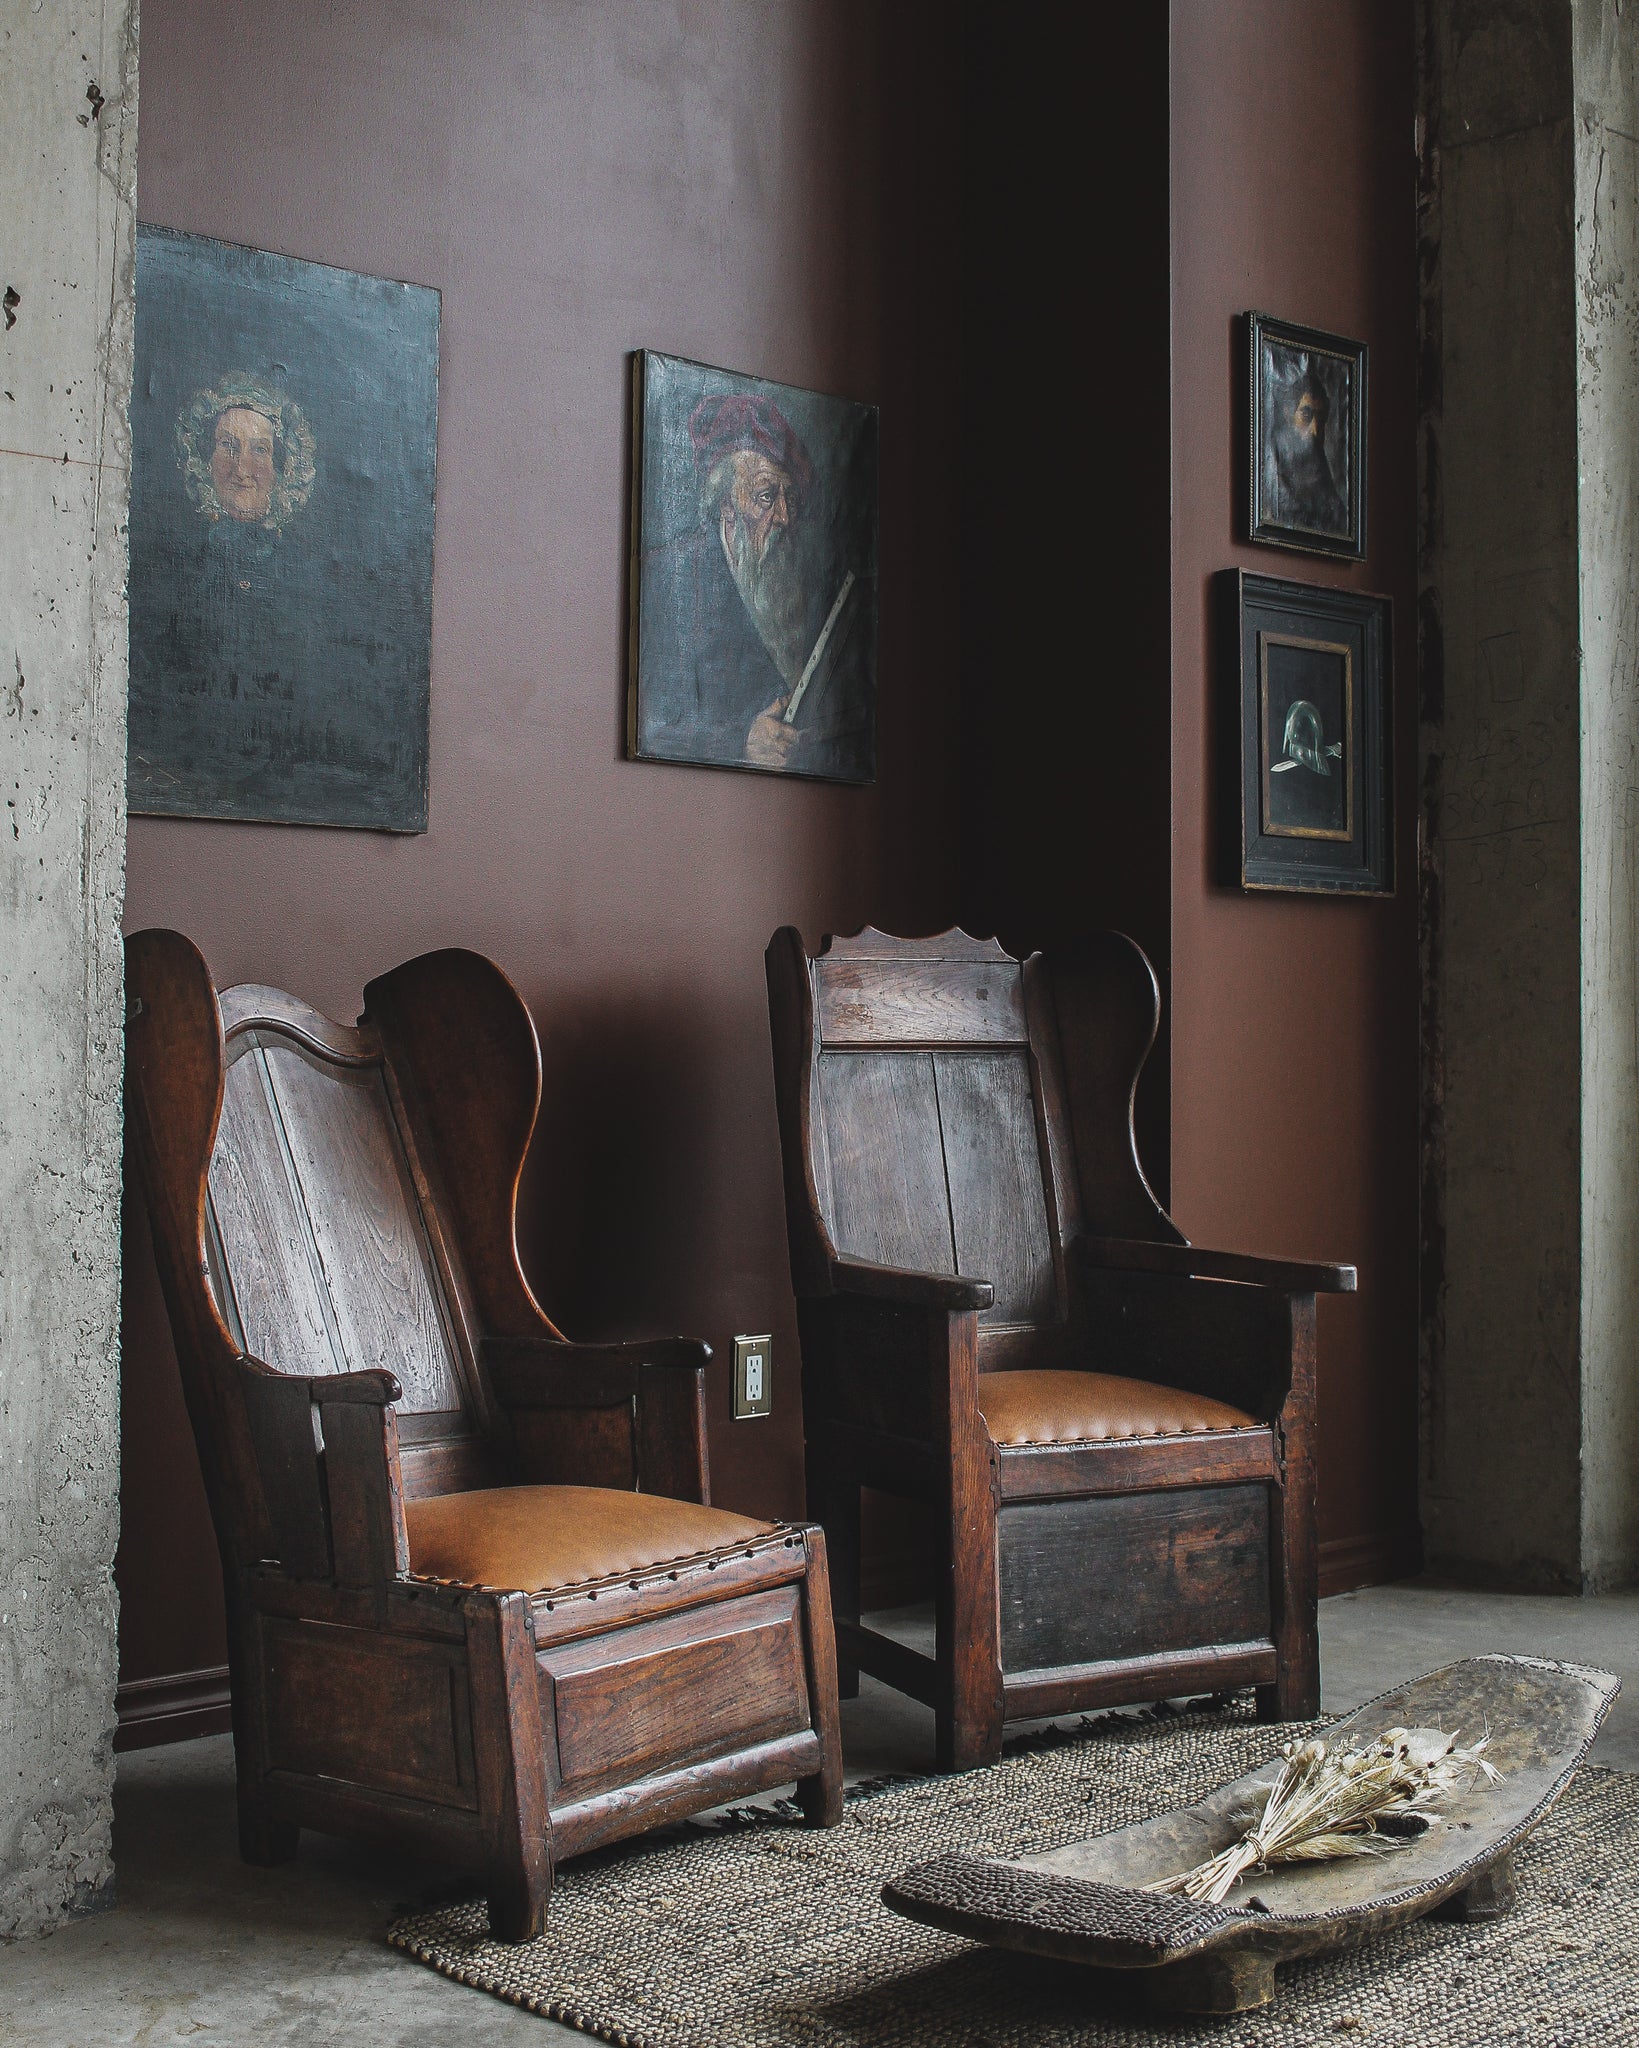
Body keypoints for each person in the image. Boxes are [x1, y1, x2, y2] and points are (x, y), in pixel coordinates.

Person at [636, 390, 874, 781]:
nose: (782, 516)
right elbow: (654, 723)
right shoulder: (667, 575)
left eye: (789, 498)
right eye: (765, 497)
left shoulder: (803, 577)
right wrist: (741, 741)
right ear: (726, 502)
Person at [1264, 355, 1349, 537]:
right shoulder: (1270, 467)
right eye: (1306, 414)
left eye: (1320, 416)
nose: (1315, 430)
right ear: (1287, 414)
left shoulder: (1324, 481)